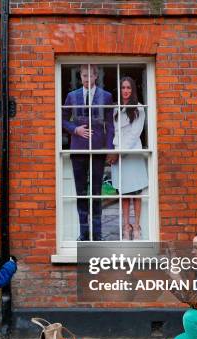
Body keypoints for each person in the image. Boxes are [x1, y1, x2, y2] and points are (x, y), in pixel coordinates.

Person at [62, 65, 114, 241]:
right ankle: (84, 233)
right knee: (81, 192)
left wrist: (110, 149)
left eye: (90, 76)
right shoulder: (72, 96)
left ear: (95, 76)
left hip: (98, 149)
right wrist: (75, 129)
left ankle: (98, 234)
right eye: (84, 76)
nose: (87, 79)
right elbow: (61, 118)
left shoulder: (106, 96)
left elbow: (110, 125)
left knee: (97, 192)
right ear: (80, 76)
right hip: (78, 149)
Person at [106, 77, 148, 240]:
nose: (126, 91)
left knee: (136, 193)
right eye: (123, 87)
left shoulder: (139, 108)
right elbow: (113, 132)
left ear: (133, 90)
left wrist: (118, 152)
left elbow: (134, 134)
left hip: (132, 154)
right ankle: (126, 227)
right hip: (118, 154)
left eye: (129, 88)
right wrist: (112, 151)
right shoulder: (115, 109)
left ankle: (136, 226)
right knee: (124, 193)